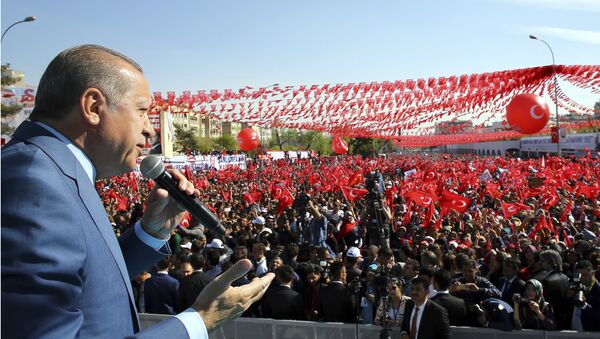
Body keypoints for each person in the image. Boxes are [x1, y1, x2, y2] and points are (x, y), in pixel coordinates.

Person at [1, 44, 274, 338]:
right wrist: (200, 321)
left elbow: (87, 280)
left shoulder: (56, 171)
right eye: (142, 111)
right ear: (93, 107)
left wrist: (151, 232)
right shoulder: (34, 182)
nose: (150, 130)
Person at [570, 259, 600, 331]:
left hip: (589, 333)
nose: (582, 278)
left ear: (593, 274)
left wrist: (585, 306)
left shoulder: (598, 290)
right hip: (572, 331)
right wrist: (568, 298)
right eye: (579, 275)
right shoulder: (573, 285)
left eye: (585, 275)